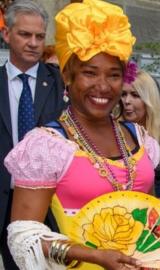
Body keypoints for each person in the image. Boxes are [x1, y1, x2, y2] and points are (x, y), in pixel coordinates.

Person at [4, 1, 160, 269]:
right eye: (89, 73)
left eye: (113, 75)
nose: (102, 86)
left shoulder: (139, 138)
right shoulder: (46, 146)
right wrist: (93, 256)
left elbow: (154, 215)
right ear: (68, 76)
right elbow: (23, 238)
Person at [0, 1, 65, 268]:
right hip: (6, 205)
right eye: (25, 34)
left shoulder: (63, 83)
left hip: (54, 204)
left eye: (39, 36)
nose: (33, 43)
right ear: (6, 34)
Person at [121, 65, 160, 201]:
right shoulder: (110, 135)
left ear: (148, 100)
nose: (127, 101)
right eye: (123, 94)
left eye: (135, 95)